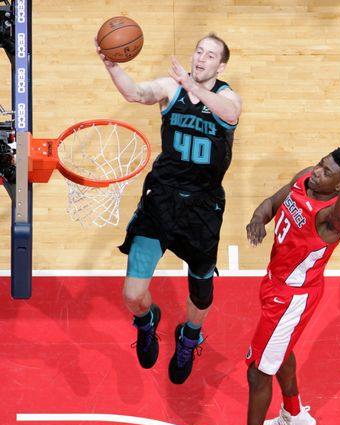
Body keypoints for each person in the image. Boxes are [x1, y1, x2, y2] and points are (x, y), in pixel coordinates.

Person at [96, 33, 242, 384]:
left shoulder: (226, 96)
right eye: (199, 51)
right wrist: (113, 66)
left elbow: (230, 115)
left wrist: (193, 85)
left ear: (220, 66)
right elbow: (136, 93)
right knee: (132, 295)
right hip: (161, 199)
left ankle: (188, 338)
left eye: (210, 55)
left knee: (201, 297)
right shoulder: (172, 87)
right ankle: (147, 323)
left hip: (203, 208)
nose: (201, 58)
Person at [244, 146, 340, 425]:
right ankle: (295, 416)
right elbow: (271, 204)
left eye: (327, 173)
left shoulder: (331, 218)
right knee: (280, 351)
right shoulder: (304, 179)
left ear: (339, 184)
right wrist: (257, 220)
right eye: (320, 164)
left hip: (292, 298)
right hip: (274, 282)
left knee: (257, 373)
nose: (317, 173)